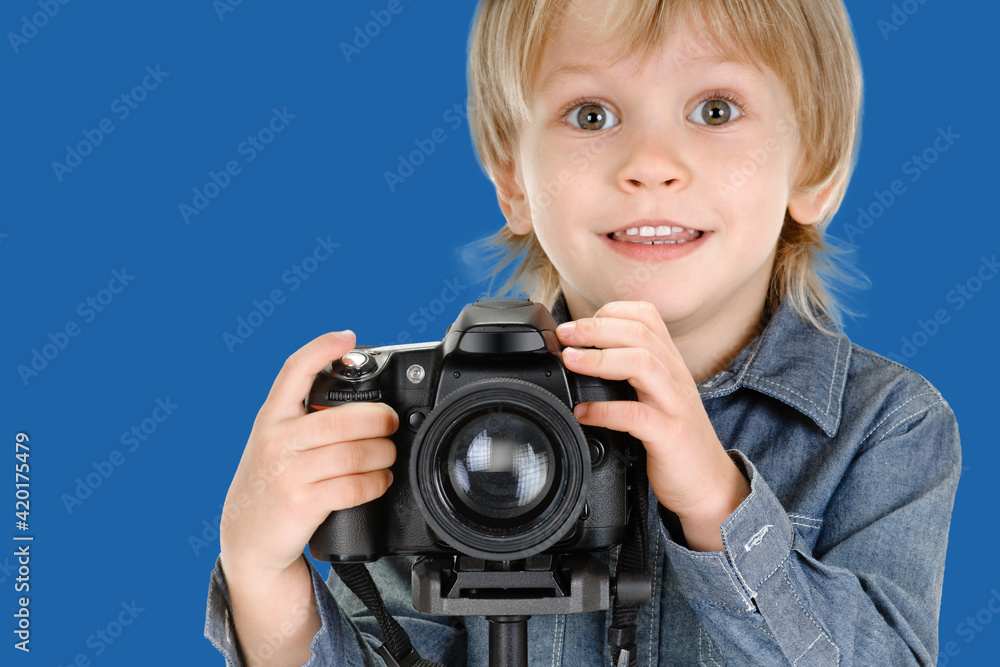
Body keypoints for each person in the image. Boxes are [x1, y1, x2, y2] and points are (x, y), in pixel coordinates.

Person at [205, 0, 961, 664]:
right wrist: (261, 575)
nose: (652, 164)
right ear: (513, 180)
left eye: (716, 110)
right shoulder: (449, 416)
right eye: (592, 114)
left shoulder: (886, 425)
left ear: (815, 168)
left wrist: (718, 503)